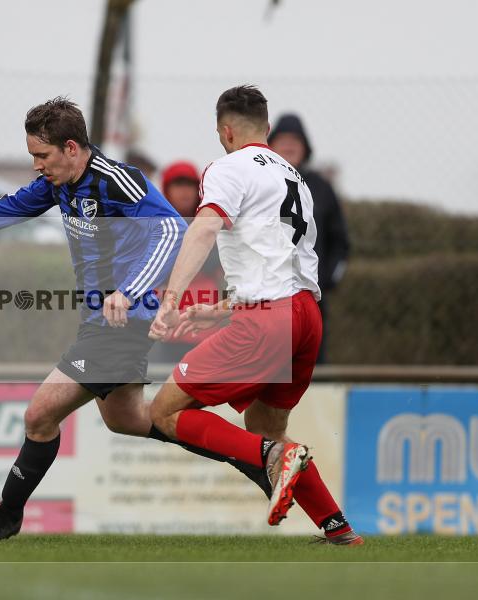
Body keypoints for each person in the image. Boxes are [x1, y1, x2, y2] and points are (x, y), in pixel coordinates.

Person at [0, 97, 271, 542]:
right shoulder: (58, 183)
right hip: (100, 322)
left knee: (39, 415)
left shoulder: (117, 180)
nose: (36, 166)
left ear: (71, 148)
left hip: (123, 323)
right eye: (32, 156)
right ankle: (252, 456)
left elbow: (171, 230)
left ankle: (7, 514)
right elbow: (10, 207)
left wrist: (129, 290)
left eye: (42, 155)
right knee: (131, 419)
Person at [148, 85, 362, 545]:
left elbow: (204, 228)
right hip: (306, 317)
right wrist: (223, 309)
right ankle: (337, 528)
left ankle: (275, 458)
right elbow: (283, 264)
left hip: (269, 320)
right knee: (266, 429)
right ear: (266, 128)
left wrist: (170, 300)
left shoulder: (227, 168)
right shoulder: (295, 177)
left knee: (164, 411)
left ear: (225, 131)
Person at [268, 114, 350, 363]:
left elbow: (340, 242)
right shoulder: (258, 182)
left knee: (309, 365)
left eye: (295, 140)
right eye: (282, 139)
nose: (289, 145)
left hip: (310, 299)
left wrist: (326, 280)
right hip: (265, 299)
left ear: (306, 147)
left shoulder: (321, 187)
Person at [148, 161, 224, 364]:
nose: (184, 191)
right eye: (178, 185)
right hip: (163, 324)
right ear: (167, 189)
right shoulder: (155, 225)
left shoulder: (211, 223)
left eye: (189, 185)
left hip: (201, 322)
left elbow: (214, 265)